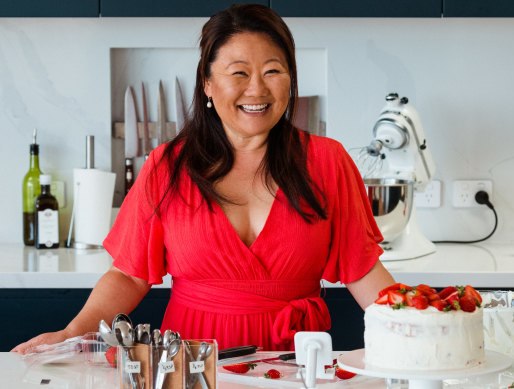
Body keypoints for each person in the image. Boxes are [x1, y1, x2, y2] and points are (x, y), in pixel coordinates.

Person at [12, 3, 394, 353]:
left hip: (294, 365)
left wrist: (417, 322)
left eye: (273, 71)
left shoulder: (327, 162)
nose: (257, 89)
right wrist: (72, 332)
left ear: (290, 80)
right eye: (239, 73)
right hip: (191, 365)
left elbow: (361, 269)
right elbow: (128, 275)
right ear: (208, 84)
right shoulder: (167, 167)